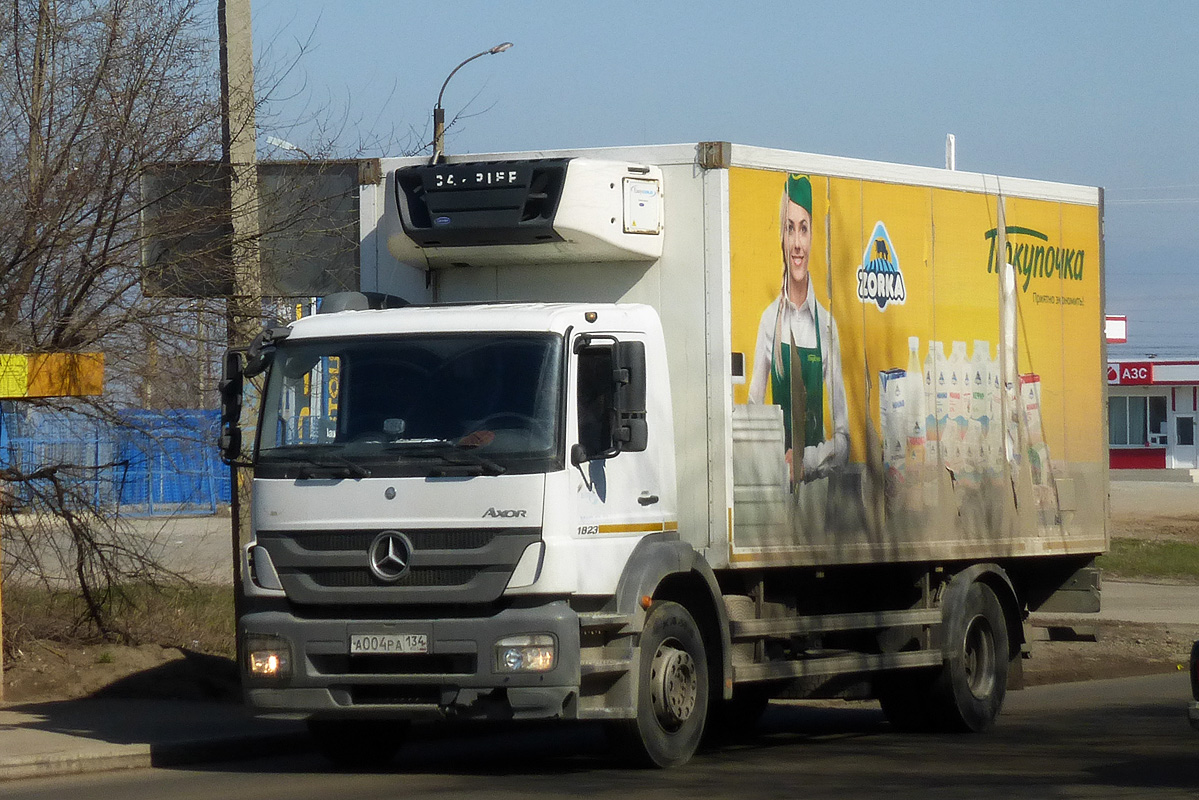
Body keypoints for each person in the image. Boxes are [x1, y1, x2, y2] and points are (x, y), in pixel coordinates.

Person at [748, 174, 848, 483]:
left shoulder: (827, 327)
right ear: (781, 236)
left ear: (812, 236)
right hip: (776, 490)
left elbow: (844, 442)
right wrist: (776, 464)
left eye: (803, 229)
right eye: (789, 228)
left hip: (817, 497)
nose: (796, 243)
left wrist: (808, 461)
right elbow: (752, 417)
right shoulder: (769, 322)